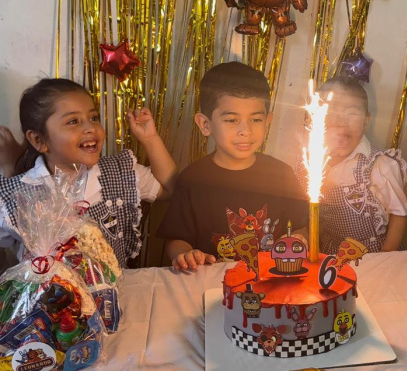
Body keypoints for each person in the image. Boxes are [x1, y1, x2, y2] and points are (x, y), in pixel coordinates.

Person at [0, 78, 177, 267]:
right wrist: (11, 168)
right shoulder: (13, 197)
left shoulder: (120, 173)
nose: (90, 128)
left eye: (94, 118)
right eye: (73, 121)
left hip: (117, 286)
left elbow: (170, 189)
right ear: (38, 140)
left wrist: (150, 138)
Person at [157, 62, 309, 272]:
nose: (245, 131)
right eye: (231, 120)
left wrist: (299, 238)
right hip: (214, 283)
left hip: (272, 278)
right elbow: (176, 241)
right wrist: (186, 255)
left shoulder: (281, 174)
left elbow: (303, 226)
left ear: (268, 121)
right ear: (205, 124)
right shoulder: (192, 179)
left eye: (256, 119)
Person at [298, 76, 407, 254]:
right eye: (330, 112)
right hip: (331, 252)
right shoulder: (311, 163)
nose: (340, 122)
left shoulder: (379, 164)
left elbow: (399, 214)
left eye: (351, 113)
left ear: (366, 122)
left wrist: (385, 256)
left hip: (371, 255)